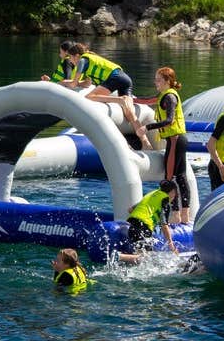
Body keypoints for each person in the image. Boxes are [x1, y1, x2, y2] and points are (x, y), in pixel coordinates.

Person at [60, 42, 153, 150]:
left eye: (71, 58)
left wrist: (62, 82)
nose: (70, 61)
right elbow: (87, 83)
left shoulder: (82, 61)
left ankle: (119, 100)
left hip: (114, 78)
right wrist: (76, 83)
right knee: (130, 115)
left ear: (76, 55)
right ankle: (146, 143)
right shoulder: (91, 59)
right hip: (125, 79)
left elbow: (73, 84)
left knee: (89, 97)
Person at [134, 67, 190, 224]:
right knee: (181, 177)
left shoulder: (170, 97)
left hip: (175, 140)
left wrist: (147, 127)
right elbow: (148, 100)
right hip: (178, 140)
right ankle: (184, 214)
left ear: (167, 81)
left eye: (158, 80)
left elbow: (169, 120)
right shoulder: (164, 95)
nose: (155, 82)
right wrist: (131, 99)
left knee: (168, 179)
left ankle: (176, 214)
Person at [114, 180, 179, 264]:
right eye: (175, 193)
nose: (175, 196)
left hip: (132, 226)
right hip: (143, 228)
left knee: (141, 259)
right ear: (172, 192)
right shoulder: (164, 200)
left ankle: (122, 259)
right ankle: (119, 257)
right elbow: (164, 225)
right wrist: (171, 246)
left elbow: (130, 210)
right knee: (147, 258)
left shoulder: (152, 195)